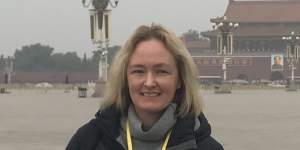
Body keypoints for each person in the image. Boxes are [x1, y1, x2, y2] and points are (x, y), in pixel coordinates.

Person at [66, 24, 223, 150]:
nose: (149, 83)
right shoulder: (89, 141)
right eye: (138, 71)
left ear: (180, 80)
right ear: (125, 78)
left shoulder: (205, 146)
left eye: (161, 71)